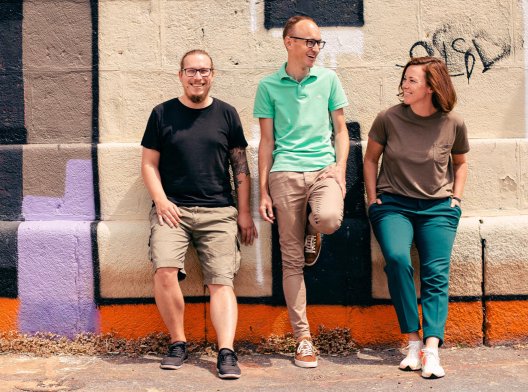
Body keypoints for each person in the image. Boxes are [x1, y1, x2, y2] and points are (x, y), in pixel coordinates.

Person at [141, 49, 258, 380]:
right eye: (191, 71)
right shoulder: (162, 114)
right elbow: (149, 164)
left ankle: (226, 351)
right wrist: (161, 201)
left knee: (221, 281)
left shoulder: (226, 114)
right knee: (164, 270)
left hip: (219, 211)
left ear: (213, 74)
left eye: (204, 71)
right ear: (180, 75)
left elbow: (241, 168)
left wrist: (244, 213)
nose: (197, 77)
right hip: (172, 209)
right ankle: (178, 342)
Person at [364, 56, 469, 379]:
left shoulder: (453, 123)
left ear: (430, 87)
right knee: (397, 259)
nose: (404, 85)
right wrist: (373, 199)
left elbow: (461, 163)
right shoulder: (388, 119)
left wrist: (456, 199)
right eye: (404, 79)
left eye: (412, 80)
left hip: (438, 208)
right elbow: (370, 159)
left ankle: (432, 348)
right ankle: (412, 341)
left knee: (436, 272)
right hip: (393, 204)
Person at [254, 15, 349, 368]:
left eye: (318, 43)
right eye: (309, 42)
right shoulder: (268, 86)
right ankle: (303, 339)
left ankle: (314, 230)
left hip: (323, 168)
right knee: (291, 259)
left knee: (328, 219)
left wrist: (339, 168)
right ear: (288, 42)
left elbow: (340, 130)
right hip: (284, 173)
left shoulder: (328, 80)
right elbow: (266, 142)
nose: (315, 49)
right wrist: (262, 191)